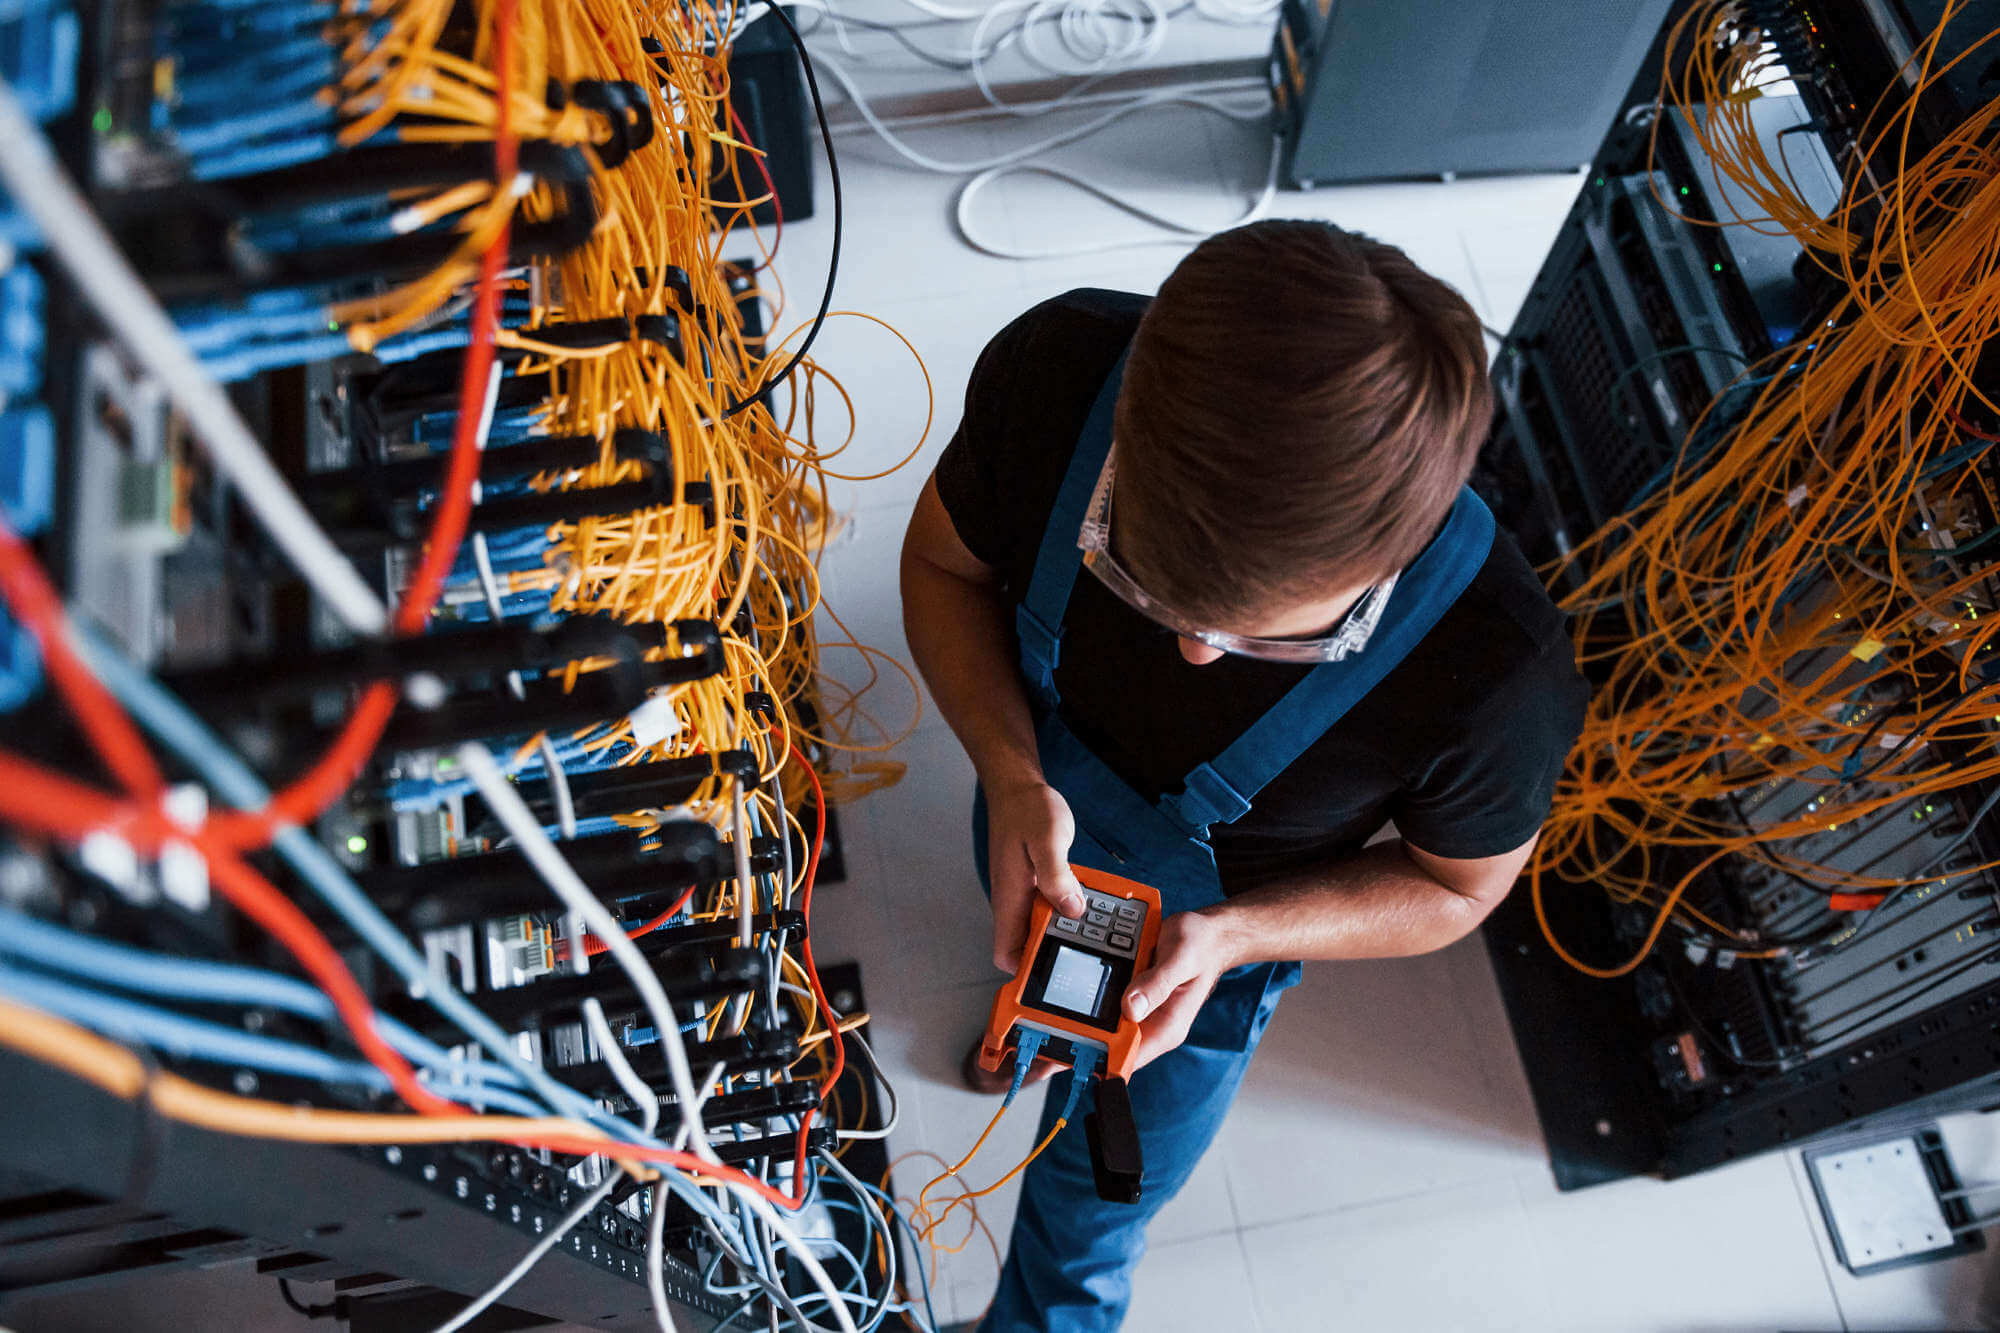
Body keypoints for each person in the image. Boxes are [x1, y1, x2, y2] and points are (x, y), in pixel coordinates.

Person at [897, 219, 1587, 1332]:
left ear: (1385, 562)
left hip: (1214, 952)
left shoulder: (1497, 673)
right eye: (1142, 584)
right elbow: (940, 564)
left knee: (1089, 1208)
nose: (1196, 655)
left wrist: (1235, 937)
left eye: (1269, 641)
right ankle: (1025, 1032)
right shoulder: (1055, 366)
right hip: (1035, 799)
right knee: (1032, 960)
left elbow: (1456, 888)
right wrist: (1009, 768)